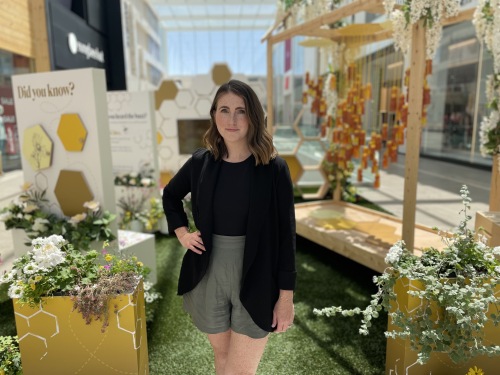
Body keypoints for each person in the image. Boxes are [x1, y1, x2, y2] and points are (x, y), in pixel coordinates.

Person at [162, 79, 296, 375]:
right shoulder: (201, 162)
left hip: (257, 274)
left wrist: (286, 298)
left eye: (241, 111)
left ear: (254, 117)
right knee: (223, 360)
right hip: (209, 270)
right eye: (224, 110)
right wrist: (182, 233)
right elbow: (170, 195)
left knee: (240, 370)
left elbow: (287, 237)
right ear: (214, 115)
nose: (232, 119)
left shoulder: (273, 168)